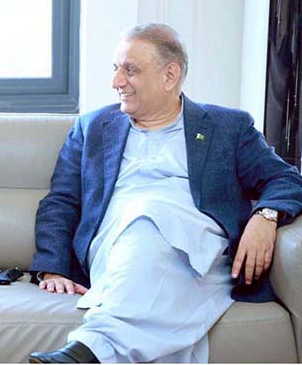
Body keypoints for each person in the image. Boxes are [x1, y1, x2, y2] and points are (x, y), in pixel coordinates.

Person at [27, 23, 302, 363]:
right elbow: (61, 200)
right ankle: (90, 352)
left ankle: (90, 351)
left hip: (201, 251)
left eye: (130, 70)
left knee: (154, 211)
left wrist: (266, 216)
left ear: (170, 75)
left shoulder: (227, 127)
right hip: (117, 244)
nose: (116, 82)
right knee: (146, 215)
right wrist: (52, 268)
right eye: (116, 69)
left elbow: (285, 178)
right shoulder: (92, 128)